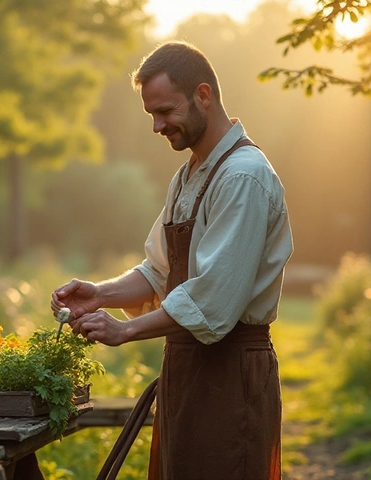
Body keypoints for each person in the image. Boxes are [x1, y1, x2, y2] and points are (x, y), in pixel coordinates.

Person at [51, 41, 293, 480]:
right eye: (151, 115)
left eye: (165, 111)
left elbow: (212, 302)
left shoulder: (243, 176)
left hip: (231, 375)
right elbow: (158, 272)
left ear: (203, 94)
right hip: (187, 371)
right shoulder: (190, 175)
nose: (157, 126)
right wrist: (99, 295)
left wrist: (125, 330)